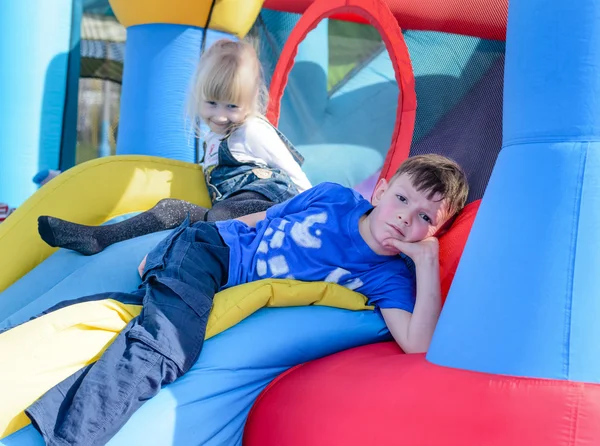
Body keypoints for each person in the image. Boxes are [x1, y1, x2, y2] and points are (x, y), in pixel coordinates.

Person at [24, 154, 468, 446]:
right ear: (381, 191)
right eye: (402, 199)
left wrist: (428, 265)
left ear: (435, 233)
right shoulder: (333, 197)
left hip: (219, 284)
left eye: (425, 218)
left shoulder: (388, 276)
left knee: (148, 329)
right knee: (166, 349)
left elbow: (417, 344)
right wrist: (174, 247)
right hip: (209, 252)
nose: (406, 218)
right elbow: (263, 219)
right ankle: (71, 438)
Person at [37, 38, 311, 256]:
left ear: (251, 101)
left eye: (232, 106)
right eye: (212, 103)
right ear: (198, 95)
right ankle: (98, 237)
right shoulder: (213, 140)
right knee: (171, 208)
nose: (220, 115)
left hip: (272, 210)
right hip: (227, 216)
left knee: (220, 215)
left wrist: (316, 218)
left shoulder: (252, 130)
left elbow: (298, 179)